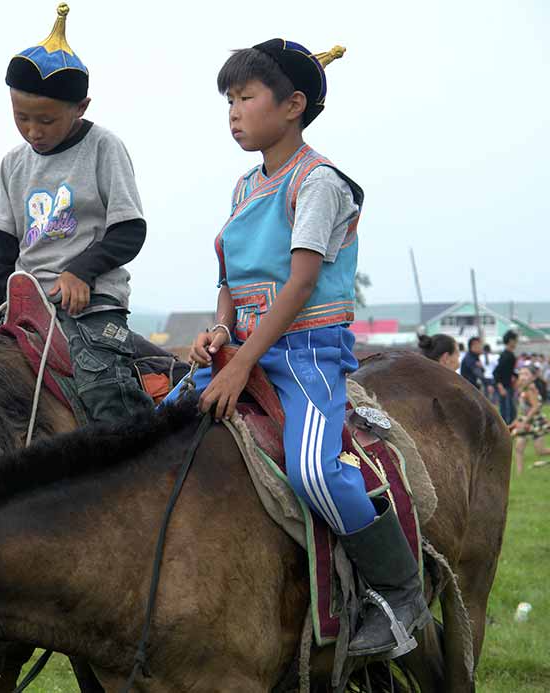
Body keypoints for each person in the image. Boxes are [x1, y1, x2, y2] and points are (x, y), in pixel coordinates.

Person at [188, 40, 429, 660]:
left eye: (245, 98)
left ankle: (400, 595)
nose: (233, 112)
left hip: (304, 356)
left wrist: (242, 362)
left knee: (314, 471)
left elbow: (298, 284)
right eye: (229, 101)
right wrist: (220, 331)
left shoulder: (318, 182)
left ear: (293, 105)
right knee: (162, 423)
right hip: (244, 345)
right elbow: (229, 280)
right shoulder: (245, 186)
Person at [0, 4, 154, 424]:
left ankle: (137, 463)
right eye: (22, 118)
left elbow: (129, 230)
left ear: (81, 107)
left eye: (46, 120)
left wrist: (81, 271)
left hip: (91, 304)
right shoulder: (14, 163)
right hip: (26, 304)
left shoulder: (105, 148)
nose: (33, 131)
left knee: (104, 388)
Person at [510, 366, 549, 474]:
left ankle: (519, 473)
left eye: (526, 374)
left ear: (532, 377)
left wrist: (524, 422)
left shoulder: (530, 388)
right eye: (521, 374)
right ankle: (519, 474)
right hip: (526, 420)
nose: (522, 377)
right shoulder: (523, 388)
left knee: (540, 451)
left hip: (534, 422)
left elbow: (535, 407)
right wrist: (516, 422)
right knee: (518, 448)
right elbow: (522, 409)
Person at [493, 331, 519, 424]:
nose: (516, 343)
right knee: (506, 414)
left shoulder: (510, 355)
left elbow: (509, 371)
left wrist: (516, 376)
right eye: (515, 340)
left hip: (509, 386)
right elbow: (496, 372)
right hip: (504, 387)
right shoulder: (506, 355)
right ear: (511, 341)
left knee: (512, 412)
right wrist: (500, 387)